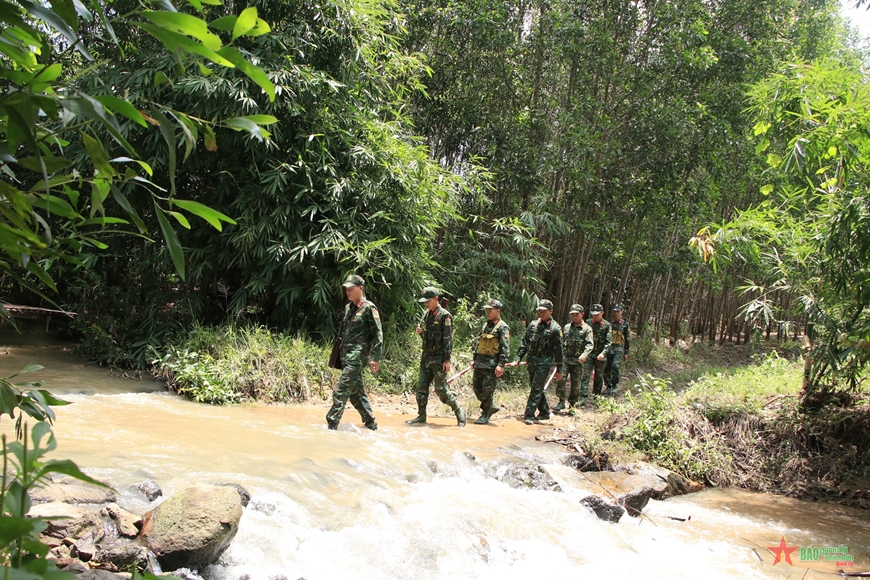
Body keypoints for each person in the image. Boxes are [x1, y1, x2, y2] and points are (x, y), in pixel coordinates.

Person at [326, 274, 383, 431]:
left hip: (357, 359)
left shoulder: (369, 308)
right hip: (346, 357)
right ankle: (371, 424)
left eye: (351, 289)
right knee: (356, 395)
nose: (348, 292)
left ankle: (331, 426)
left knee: (340, 391)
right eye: (346, 289)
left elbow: (378, 335)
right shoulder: (348, 308)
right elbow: (342, 334)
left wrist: (375, 358)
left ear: (361, 289)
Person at [406, 287, 467, 426]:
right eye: (425, 301)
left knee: (441, 390)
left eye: (428, 301)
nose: (426, 303)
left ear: (436, 299)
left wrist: (447, 360)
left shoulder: (445, 316)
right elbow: (428, 337)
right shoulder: (427, 315)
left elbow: (447, 339)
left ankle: (459, 411)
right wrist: (420, 332)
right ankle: (421, 416)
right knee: (421, 388)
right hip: (426, 356)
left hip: (439, 359)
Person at [515, 299, 563, 425]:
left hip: (544, 362)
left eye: (544, 311)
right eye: (539, 311)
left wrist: (559, 369)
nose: (541, 313)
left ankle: (529, 415)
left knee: (536, 388)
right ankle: (545, 412)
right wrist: (518, 357)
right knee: (537, 387)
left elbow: (559, 351)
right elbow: (525, 342)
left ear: (551, 311)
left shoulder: (555, 329)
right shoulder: (533, 325)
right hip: (531, 361)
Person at [470, 298, 510, 425]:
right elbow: (479, 343)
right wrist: (474, 359)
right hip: (480, 363)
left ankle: (485, 415)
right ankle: (490, 406)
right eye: (487, 310)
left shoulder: (503, 327)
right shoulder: (486, 325)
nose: (488, 312)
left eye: (490, 310)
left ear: (497, 311)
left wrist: (501, 365)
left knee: (487, 391)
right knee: (477, 388)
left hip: (491, 365)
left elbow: (505, 347)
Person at [554, 304, 594, 413]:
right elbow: (561, 342)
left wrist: (585, 354)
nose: (574, 317)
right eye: (573, 315)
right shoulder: (567, 327)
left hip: (578, 361)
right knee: (561, 379)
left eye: (577, 314)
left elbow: (590, 344)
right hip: (566, 359)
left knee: (575, 384)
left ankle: (572, 405)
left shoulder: (587, 329)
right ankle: (561, 401)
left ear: (582, 314)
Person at [580, 303, 611, 402]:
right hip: (589, 354)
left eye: (597, 314)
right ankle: (582, 398)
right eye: (593, 314)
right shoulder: (588, 323)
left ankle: (597, 397)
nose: (595, 316)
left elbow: (609, 342)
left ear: (602, 313)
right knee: (585, 375)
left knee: (598, 377)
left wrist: (603, 353)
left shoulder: (606, 325)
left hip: (600, 355)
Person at [604, 303, 630, 396]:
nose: (616, 313)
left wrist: (626, 352)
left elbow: (627, 339)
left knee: (615, 366)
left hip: (618, 349)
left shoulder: (625, 325)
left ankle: (614, 385)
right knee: (606, 367)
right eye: (614, 311)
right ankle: (608, 386)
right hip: (608, 348)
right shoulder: (608, 323)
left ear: (622, 312)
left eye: (618, 311)